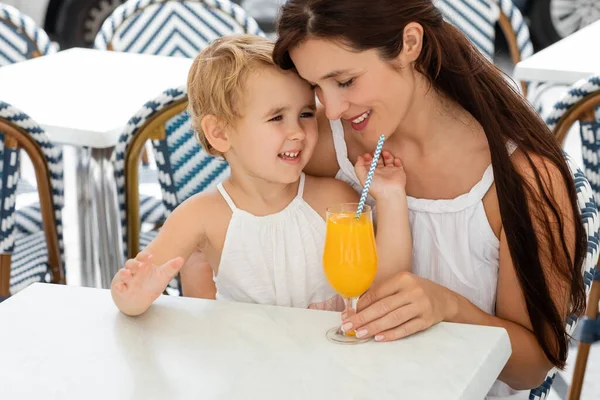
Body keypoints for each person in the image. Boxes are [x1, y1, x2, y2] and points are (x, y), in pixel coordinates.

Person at [272, 0, 587, 396]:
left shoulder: (521, 179)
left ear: (409, 43)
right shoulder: (321, 143)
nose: (331, 109)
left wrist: (449, 308)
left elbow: (532, 367)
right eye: (316, 87)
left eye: (346, 81)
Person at [110, 35, 410, 319]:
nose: (297, 131)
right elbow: (133, 293)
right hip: (247, 366)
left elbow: (385, 284)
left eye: (305, 114)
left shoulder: (335, 202)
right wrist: (131, 297)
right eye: (277, 117)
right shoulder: (199, 216)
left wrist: (391, 197)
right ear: (220, 133)